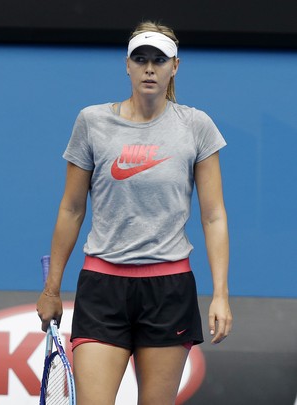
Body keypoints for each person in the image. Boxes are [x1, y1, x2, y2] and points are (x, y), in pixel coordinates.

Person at [36, 21, 233, 405]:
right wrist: (52, 288)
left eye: (159, 60)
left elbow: (214, 216)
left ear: (175, 66)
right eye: (140, 58)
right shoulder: (92, 122)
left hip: (169, 291)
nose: (149, 68)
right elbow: (72, 208)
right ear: (126, 65)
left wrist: (221, 294)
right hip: (102, 288)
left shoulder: (197, 126)